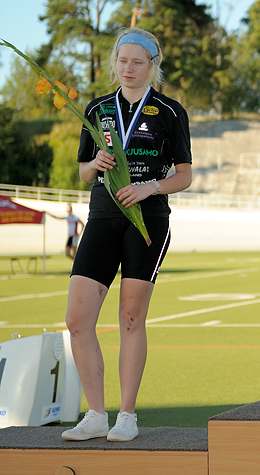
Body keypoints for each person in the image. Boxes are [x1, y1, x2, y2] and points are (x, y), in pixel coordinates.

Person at [61, 27, 192, 442]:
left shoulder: (170, 112)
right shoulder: (97, 108)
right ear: (115, 62)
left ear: (153, 66)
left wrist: (149, 186)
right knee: (77, 319)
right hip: (102, 217)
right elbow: (83, 172)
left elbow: (185, 176)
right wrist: (95, 162)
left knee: (131, 318)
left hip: (147, 219)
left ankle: (127, 416)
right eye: (123, 61)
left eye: (138, 62)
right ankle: (95, 414)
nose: (129, 68)